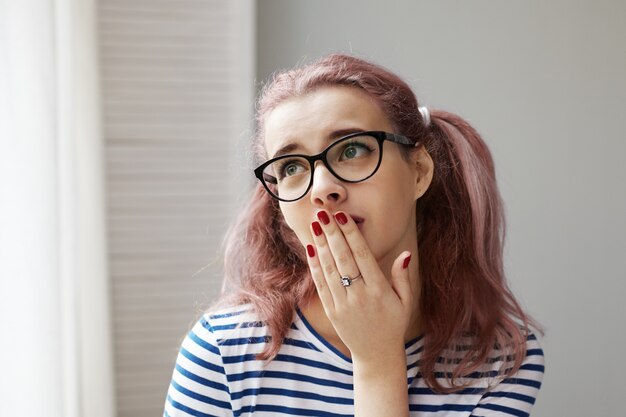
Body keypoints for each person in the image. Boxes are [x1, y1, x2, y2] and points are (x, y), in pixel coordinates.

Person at [163, 54, 545, 417]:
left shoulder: (500, 362)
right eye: (292, 165)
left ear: (419, 171)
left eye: (352, 149)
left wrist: (377, 362)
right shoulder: (223, 350)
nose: (322, 188)